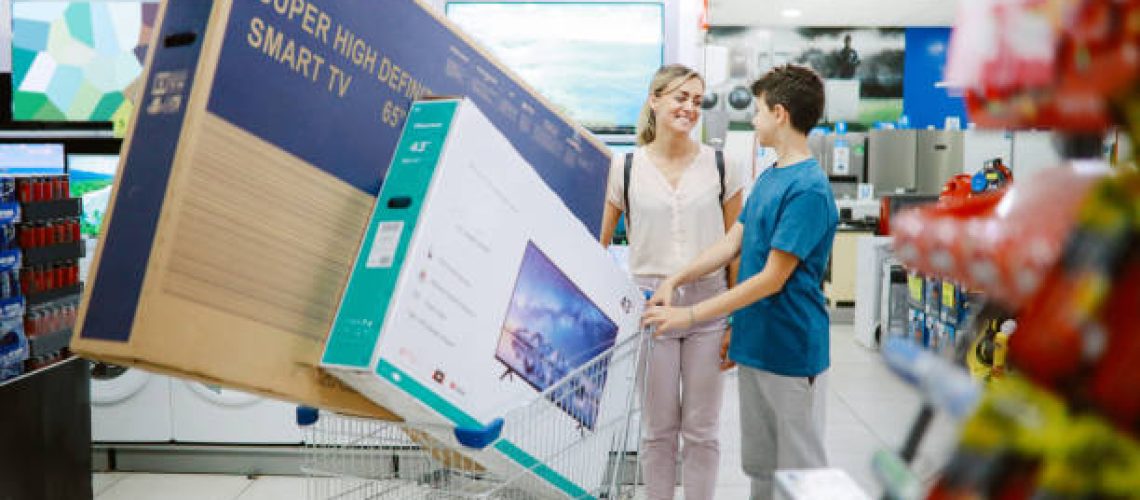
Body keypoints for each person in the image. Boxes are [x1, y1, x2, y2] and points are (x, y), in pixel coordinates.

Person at [642, 64, 837, 500]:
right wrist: (677, 278)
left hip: (792, 352)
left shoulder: (808, 189)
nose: (754, 119)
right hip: (757, 346)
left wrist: (689, 315)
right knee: (762, 469)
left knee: (799, 475)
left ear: (780, 114)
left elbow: (771, 279)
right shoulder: (771, 175)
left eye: (760, 110)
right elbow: (732, 243)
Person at [599, 64, 744, 500]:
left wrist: (736, 317)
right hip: (651, 307)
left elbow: (736, 249)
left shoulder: (722, 164)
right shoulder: (624, 167)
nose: (689, 108)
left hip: (710, 306)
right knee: (658, 429)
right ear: (655, 99)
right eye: (680, 97)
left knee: (702, 430)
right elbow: (599, 244)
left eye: (697, 101)